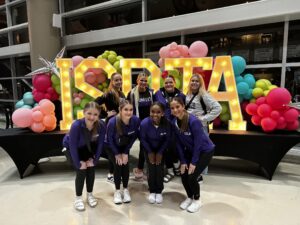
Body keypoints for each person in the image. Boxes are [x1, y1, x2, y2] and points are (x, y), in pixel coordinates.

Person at [170, 97, 215, 213]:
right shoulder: (174, 122)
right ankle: (190, 197)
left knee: (192, 176)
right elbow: (179, 144)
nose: (175, 110)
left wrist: (193, 162)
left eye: (177, 107)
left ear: (183, 106)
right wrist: (183, 161)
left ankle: (197, 200)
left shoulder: (193, 121)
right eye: (172, 108)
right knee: (183, 173)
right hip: (191, 150)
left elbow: (198, 144)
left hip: (205, 151)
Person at [62, 102, 106, 211]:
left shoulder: (100, 125)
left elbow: (100, 144)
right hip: (72, 149)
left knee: (91, 169)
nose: (92, 117)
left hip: (87, 148)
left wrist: (95, 161)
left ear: (99, 115)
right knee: (82, 170)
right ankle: (78, 198)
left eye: (95, 114)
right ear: (84, 113)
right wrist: (78, 163)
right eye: (89, 113)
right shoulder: (77, 125)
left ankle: (90, 194)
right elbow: (72, 146)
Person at [185, 74, 221, 183]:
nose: (194, 83)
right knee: (193, 149)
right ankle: (192, 171)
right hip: (189, 127)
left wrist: (203, 119)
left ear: (200, 83)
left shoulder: (204, 95)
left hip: (200, 128)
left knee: (201, 150)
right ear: (189, 82)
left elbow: (218, 108)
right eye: (192, 80)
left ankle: (199, 175)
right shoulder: (188, 94)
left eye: (197, 81)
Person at [105, 100, 140, 204]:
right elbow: (110, 140)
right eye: (126, 110)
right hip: (111, 147)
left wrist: (125, 152)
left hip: (124, 146)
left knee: (125, 164)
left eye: (131, 110)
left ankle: (125, 189)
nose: (129, 112)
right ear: (120, 110)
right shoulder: (112, 122)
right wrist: (117, 154)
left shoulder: (135, 120)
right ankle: (117, 191)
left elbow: (134, 137)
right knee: (118, 164)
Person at [95, 72, 125, 183]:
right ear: (112, 82)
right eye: (116, 80)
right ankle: (111, 174)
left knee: (118, 147)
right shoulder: (108, 93)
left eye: (120, 79)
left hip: (120, 124)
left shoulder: (121, 93)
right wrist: (105, 114)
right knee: (112, 149)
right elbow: (95, 103)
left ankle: (113, 173)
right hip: (111, 124)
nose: (119, 82)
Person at [154, 75, 185, 183]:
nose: (168, 84)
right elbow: (154, 107)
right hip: (162, 125)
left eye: (170, 82)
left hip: (177, 125)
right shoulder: (158, 93)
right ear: (163, 84)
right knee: (165, 147)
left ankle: (177, 165)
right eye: (166, 83)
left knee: (176, 146)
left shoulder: (181, 95)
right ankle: (170, 171)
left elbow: (185, 108)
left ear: (174, 83)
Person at [140, 102, 171, 204]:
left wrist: (160, 152)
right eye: (152, 112)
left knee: (159, 168)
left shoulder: (167, 123)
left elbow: (167, 140)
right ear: (149, 112)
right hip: (148, 149)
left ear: (163, 113)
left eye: (158, 112)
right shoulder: (144, 123)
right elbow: (143, 139)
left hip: (161, 150)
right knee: (151, 168)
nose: (155, 114)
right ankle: (152, 190)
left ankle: (159, 191)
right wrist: (150, 152)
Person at [127, 72, 154, 181]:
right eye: (141, 80)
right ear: (137, 81)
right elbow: (128, 108)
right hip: (136, 124)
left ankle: (142, 169)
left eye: (145, 80)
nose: (143, 82)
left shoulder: (151, 93)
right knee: (139, 145)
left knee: (145, 146)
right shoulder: (132, 93)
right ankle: (137, 168)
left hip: (148, 124)